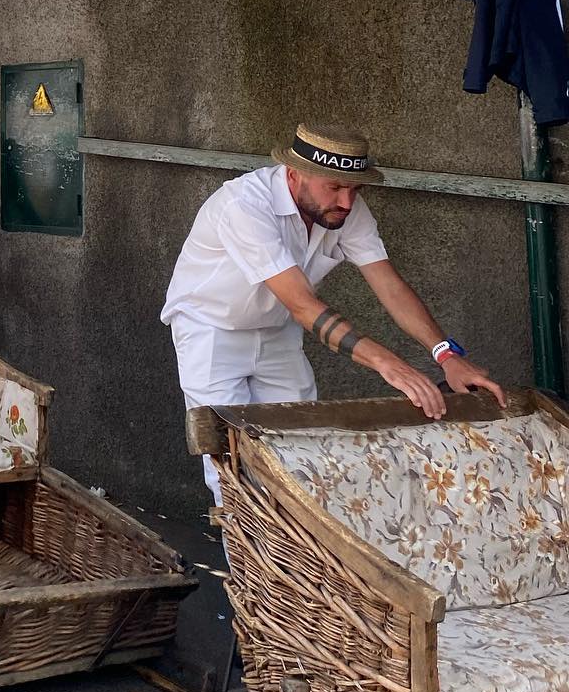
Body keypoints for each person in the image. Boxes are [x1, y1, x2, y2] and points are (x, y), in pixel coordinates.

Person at [163, 121, 506, 498]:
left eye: (354, 189)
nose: (346, 202)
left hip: (277, 330)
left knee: (302, 448)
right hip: (212, 330)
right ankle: (247, 558)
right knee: (230, 464)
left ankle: (294, 557)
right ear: (295, 174)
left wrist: (446, 355)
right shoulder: (244, 205)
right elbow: (302, 304)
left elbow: (389, 285)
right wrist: (388, 364)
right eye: (335, 187)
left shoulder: (344, 210)